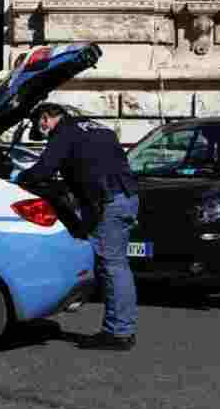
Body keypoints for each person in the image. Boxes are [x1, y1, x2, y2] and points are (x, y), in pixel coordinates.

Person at [13, 102, 140, 351]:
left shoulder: (64, 132)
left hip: (108, 202)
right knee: (115, 264)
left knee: (112, 266)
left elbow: (44, 170)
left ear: (47, 118)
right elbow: (93, 164)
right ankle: (121, 328)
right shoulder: (98, 128)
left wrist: (19, 179)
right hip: (125, 197)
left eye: (41, 122)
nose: (42, 128)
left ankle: (119, 333)